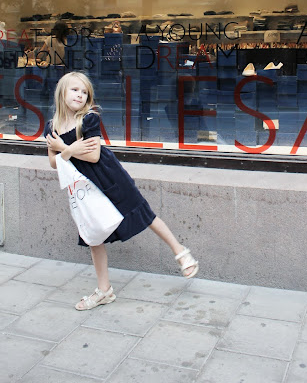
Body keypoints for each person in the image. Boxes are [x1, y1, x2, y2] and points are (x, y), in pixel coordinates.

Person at [44, 71, 199, 311]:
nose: (80, 95)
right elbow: (54, 163)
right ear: (62, 92)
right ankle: (104, 290)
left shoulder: (89, 119)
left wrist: (65, 149)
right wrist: (70, 150)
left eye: (84, 92)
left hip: (109, 177)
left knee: (142, 212)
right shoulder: (52, 126)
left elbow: (94, 156)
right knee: (93, 235)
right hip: (84, 185)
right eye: (75, 90)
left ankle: (181, 252)